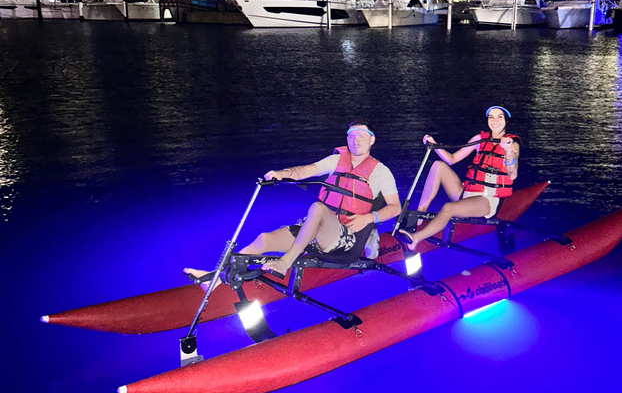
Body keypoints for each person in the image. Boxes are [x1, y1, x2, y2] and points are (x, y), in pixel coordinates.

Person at [184, 119, 400, 283]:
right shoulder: (336, 160)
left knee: (317, 207)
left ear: (372, 140)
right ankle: (214, 280)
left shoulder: (381, 172)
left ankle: (284, 263)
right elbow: (303, 171)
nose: (357, 140)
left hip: (346, 239)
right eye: (352, 135)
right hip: (317, 231)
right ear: (347, 139)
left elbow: (395, 208)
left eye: (362, 135)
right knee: (264, 240)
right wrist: (281, 173)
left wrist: (368, 218)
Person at [398, 106, 520, 249]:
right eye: (491, 117)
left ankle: (415, 239)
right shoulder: (479, 139)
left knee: (448, 208)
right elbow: (452, 159)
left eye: (499, 117)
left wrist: (508, 153)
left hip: (486, 201)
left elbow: (512, 175)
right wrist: (434, 145)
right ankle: (420, 213)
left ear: (506, 121)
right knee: (438, 165)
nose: (494, 121)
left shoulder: (512, 145)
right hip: (466, 193)